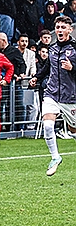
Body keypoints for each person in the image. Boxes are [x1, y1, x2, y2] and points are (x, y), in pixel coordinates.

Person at [29, 16, 76, 176]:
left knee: (73, 131)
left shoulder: (75, 48)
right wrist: (37, 77)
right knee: (48, 125)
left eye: (63, 27)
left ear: (70, 30)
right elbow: (48, 67)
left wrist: (72, 67)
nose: (60, 30)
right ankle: (55, 157)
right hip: (52, 93)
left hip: (70, 97)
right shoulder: (53, 48)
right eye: (58, 27)